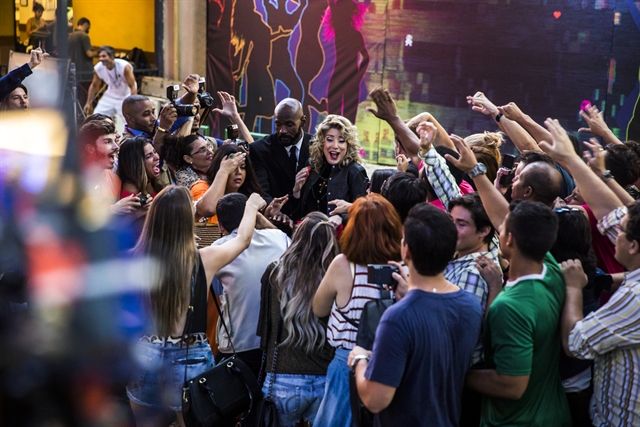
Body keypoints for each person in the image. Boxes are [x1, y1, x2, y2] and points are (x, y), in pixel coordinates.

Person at [444, 134, 571, 426]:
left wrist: (450, 370)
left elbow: (511, 385)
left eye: (502, 231)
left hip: (517, 420)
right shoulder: (551, 272)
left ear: (509, 239)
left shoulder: (509, 308)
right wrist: (476, 171)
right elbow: (503, 217)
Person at [126, 186, 266, 427]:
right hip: (190, 357)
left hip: (145, 353)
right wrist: (251, 206)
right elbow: (243, 240)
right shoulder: (204, 259)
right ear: (186, 222)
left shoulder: (132, 258)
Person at [537, 118, 640, 427]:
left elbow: (578, 344)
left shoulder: (635, 298)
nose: (613, 233)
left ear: (634, 246)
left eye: (620, 233)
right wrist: (574, 162)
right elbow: (614, 216)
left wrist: (572, 288)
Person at [348, 203, 482, 427]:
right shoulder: (470, 306)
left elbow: (375, 400)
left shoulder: (396, 318)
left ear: (406, 250)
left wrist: (360, 359)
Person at [312, 194, 403, 427]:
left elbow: (318, 309)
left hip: (347, 361)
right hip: (393, 362)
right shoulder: (405, 268)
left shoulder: (343, 265)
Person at [257, 212, 339, 426]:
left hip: (282, 378)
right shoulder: (336, 276)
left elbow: (265, 329)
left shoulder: (275, 272)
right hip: (325, 378)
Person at [212, 193, 290, 377]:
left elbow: (217, 290)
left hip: (240, 343)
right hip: (279, 341)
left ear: (220, 226)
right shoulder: (279, 237)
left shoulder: (218, 248)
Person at [291, 114, 369, 225]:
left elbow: (365, 213)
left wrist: (342, 217)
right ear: (322, 142)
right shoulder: (312, 165)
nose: (335, 146)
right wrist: (296, 191)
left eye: (341, 141)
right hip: (308, 234)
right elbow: (297, 212)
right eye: (330, 139)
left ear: (348, 145)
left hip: (337, 238)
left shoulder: (355, 172)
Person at [249, 98, 311, 219]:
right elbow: (261, 189)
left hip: (309, 222)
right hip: (275, 222)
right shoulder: (260, 150)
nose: (282, 131)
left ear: (303, 122)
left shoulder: (317, 147)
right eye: (278, 124)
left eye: (289, 125)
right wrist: (273, 210)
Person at [78, 119, 141, 216]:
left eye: (114, 141)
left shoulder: (115, 180)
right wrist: (113, 209)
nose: (116, 147)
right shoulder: (73, 179)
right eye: (107, 142)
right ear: (90, 148)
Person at [193, 144, 261, 224]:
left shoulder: (248, 196)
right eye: (233, 168)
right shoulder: (201, 187)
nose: (239, 172)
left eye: (242, 167)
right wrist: (224, 171)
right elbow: (209, 209)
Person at [116, 137, 163, 226]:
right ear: (135, 163)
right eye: (148, 156)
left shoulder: (152, 182)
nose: (157, 157)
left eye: (155, 152)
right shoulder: (132, 195)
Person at [84, 46, 137, 123]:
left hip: (125, 96)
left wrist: (132, 104)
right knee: (96, 119)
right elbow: (94, 85)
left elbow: (132, 86)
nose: (101, 59)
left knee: (129, 121)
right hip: (110, 96)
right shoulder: (98, 68)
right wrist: (88, 103)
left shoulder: (124, 66)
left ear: (112, 57)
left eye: (104, 56)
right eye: (100, 56)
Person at [68, 17, 96, 106]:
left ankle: (78, 116)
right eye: (89, 27)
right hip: (85, 71)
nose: (89, 30)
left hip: (74, 71)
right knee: (85, 95)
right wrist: (100, 52)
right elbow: (89, 53)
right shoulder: (84, 36)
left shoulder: (70, 36)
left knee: (77, 96)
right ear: (85, 25)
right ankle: (84, 115)